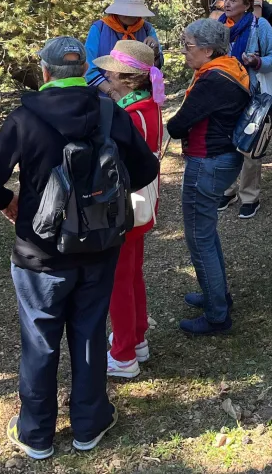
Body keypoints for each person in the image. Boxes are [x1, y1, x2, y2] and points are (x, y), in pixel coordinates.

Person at [0, 37, 159, 460]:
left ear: (46, 71)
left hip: (41, 250)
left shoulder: (25, 117)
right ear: (84, 69)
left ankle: (36, 432)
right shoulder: (111, 111)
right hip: (100, 245)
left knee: (40, 339)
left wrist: (8, 201)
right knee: (89, 332)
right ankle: (88, 424)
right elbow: (147, 168)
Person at [167, 19, 251, 335]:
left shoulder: (213, 80)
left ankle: (217, 315)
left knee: (199, 236)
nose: (184, 52)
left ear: (207, 49)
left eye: (187, 46)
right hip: (222, 157)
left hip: (208, 162)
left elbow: (177, 125)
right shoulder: (231, 68)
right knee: (206, 232)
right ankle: (217, 296)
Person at [93, 40, 166, 379]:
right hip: (142, 202)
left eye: (110, 70)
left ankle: (123, 354)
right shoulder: (149, 105)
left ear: (126, 78)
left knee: (118, 280)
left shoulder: (128, 116)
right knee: (132, 272)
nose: (105, 74)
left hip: (124, 204)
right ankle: (136, 337)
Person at [216, 0, 272, 220]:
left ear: (246, 5)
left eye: (233, 0)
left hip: (251, 95)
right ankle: (226, 189)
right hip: (223, 94)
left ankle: (249, 196)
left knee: (249, 145)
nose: (227, 4)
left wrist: (256, 62)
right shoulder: (218, 26)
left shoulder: (259, 25)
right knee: (223, 144)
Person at [84, 0, 163, 101]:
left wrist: (155, 54)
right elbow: (89, 69)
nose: (129, 14)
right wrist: (112, 92)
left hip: (140, 99)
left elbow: (155, 67)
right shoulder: (99, 29)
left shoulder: (147, 29)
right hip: (104, 99)